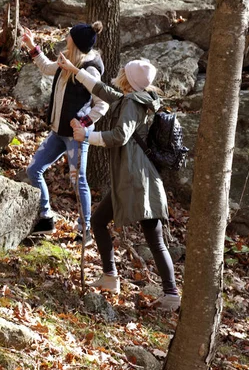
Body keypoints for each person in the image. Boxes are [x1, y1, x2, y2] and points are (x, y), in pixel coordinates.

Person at [57, 54, 180, 311]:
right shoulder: (131, 99)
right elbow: (103, 90)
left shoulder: (133, 104)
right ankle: (110, 277)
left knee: (154, 239)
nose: (120, 71)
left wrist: (86, 134)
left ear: (129, 78)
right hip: (131, 179)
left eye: (124, 70)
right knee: (100, 222)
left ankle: (171, 294)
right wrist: (73, 70)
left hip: (138, 181)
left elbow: (120, 136)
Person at [21, 22, 108, 244]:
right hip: (58, 132)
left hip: (76, 136)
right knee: (34, 170)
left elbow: (103, 104)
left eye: (69, 36)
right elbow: (47, 68)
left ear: (76, 43)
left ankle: (85, 230)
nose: (66, 38)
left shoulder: (89, 70)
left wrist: (84, 123)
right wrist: (32, 46)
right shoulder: (67, 59)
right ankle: (46, 217)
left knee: (78, 181)